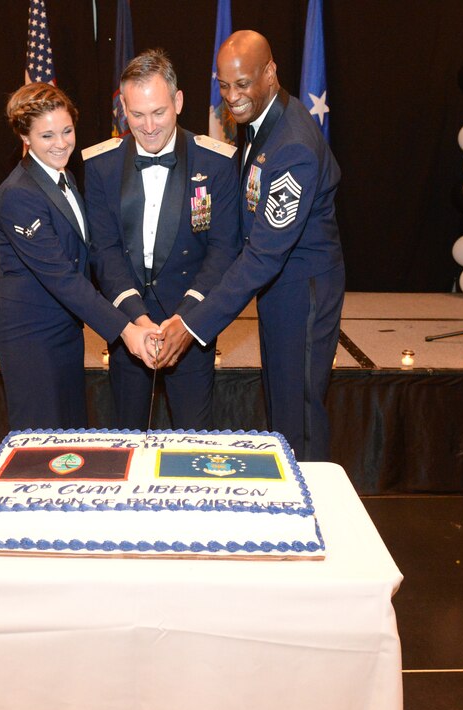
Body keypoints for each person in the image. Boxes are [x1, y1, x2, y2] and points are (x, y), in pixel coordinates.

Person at [157, 30, 344, 461]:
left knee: (298, 407)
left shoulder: (292, 144)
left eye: (242, 83)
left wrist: (192, 325)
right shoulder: (263, 121)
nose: (231, 96)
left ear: (270, 73)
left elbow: (263, 253)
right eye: (223, 85)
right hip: (280, 288)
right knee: (280, 397)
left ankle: (312, 508)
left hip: (303, 290)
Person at [83, 49, 240, 430]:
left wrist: (182, 323)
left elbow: (223, 251)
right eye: (137, 114)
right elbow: (104, 251)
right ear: (123, 107)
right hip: (128, 327)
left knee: (192, 441)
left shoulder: (216, 162)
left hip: (190, 322)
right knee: (128, 438)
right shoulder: (100, 164)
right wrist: (136, 321)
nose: (149, 125)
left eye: (159, 112)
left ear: (179, 101)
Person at [0, 82, 159, 430]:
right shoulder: (17, 196)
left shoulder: (63, 177)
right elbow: (62, 277)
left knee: (68, 438)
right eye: (47, 136)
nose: (62, 143)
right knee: (38, 444)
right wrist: (124, 330)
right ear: (25, 137)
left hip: (65, 331)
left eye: (67, 131)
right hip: (30, 339)